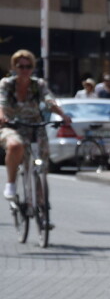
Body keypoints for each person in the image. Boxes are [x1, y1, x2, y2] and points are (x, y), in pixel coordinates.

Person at [2, 50, 71, 200]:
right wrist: (2, 117)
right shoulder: (7, 84)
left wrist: (62, 114)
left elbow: (48, 100)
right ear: (14, 67)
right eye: (21, 66)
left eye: (28, 66)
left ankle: (41, 205)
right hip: (12, 125)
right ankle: (11, 184)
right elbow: (1, 102)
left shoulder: (37, 84)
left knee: (41, 162)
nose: (25, 70)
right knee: (15, 146)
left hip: (34, 126)